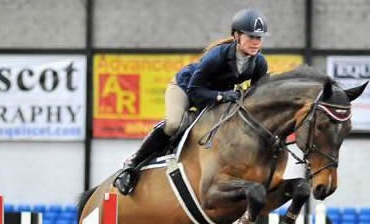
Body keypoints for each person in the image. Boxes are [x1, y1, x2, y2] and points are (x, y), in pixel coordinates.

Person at [113, 8, 270, 195]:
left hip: (213, 94)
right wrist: (222, 96)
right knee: (174, 124)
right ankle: (133, 164)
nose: (255, 42)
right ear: (236, 36)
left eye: (259, 38)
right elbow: (195, 91)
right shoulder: (217, 56)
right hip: (185, 88)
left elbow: (257, 95)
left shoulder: (259, 62)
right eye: (250, 37)